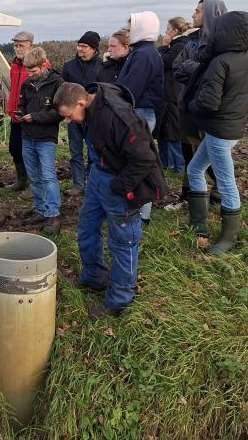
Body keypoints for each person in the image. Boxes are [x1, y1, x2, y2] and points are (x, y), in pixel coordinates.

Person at [54, 82, 168, 317]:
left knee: (123, 241)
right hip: (98, 176)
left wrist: (120, 186)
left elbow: (144, 159)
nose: (68, 121)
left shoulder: (119, 118)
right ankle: (95, 277)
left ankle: (120, 298)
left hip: (120, 182)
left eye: (68, 115)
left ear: (81, 103)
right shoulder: (91, 110)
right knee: (87, 228)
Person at [185, 11, 248, 254]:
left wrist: (189, 107)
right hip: (229, 127)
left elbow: (207, 102)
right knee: (194, 169)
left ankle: (229, 238)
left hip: (220, 130)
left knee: (227, 183)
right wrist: (235, 105)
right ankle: (199, 225)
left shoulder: (220, 61)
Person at [174, 0, 228, 202]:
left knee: (213, 156)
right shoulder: (192, 41)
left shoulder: (223, 43)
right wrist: (199, 69)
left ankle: (221, 192)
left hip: (211, 109)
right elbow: (178, 70)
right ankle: (189, 195)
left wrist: (198, 69)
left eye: (197, 11)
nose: (192, 15)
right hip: (188, 106)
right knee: (189, 151)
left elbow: (219, 74)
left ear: (211, 14)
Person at [118, 11, 164, 225]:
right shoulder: (142, 52)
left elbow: (130, 88)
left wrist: (115, 100)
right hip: (141, 112)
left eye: (130, 29)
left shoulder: (144, 55)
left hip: (141, 113)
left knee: (139, 162)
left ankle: (141, 213)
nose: (127, 33)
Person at [18, 47, 64, 234]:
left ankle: (53, 214)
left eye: (33, 71)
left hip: (45, 138)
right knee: (34, 177)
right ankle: (40, 209)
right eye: (28, 71)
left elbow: (59, 113)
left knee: (48, 176)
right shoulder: (26, 84)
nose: (30, 75)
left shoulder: (57, 84)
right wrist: (20, 113)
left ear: (44, 65)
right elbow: (23, 105)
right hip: (27, 136)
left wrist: (35, 117)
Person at [6, 31, 49, 198]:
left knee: (31, 151)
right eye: (15, 45)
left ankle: (34, 184)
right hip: (16, 114)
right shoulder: (15, 64)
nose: (17, 48)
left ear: (30, 45)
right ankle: (21, 179)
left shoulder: (40, 64)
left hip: (31, 116)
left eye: (21, 45)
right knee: (14, 148)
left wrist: (35, 113)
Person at [61, 31, 104, 196]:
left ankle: (92, 183)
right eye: (79, 45)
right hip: (74, 117)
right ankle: (78, 184)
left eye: (84, 46)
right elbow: (63, 90)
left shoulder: (102, 66)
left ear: (94, 49)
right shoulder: (69, 66)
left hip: (94, 117)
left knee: (94, 152)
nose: (80, 49)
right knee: (75, 151)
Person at [155, 17, 190, 174]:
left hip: (173, 96)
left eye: (167, 29)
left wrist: (162, 47)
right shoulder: (176, 45)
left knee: (173, 133)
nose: (165, 33)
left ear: (175, 31)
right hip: (168, 95)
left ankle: (179, 167)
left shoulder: (180, 46)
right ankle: (165, 163)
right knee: (163, 131)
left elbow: (162, 61)